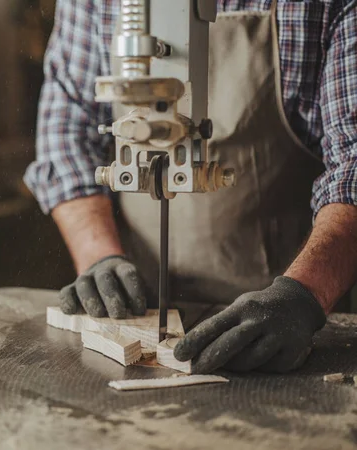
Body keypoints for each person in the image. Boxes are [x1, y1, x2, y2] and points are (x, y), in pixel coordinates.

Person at [24, 0, 357, 374]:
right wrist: (99, 257)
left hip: (290, 310)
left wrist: (304, 295)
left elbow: (353, 162)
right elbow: (67, 135)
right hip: (142, 293)